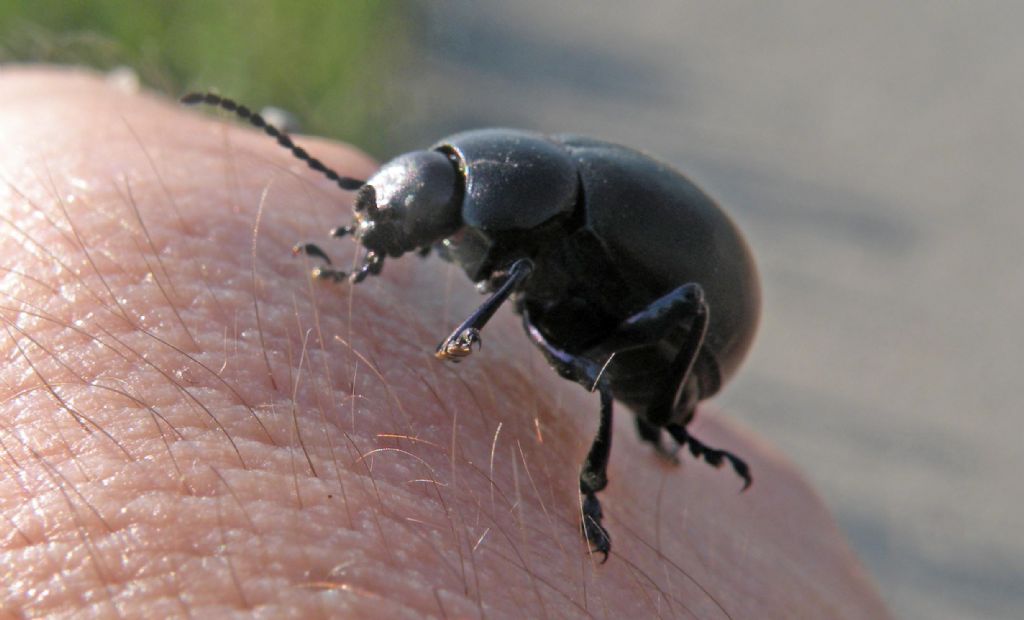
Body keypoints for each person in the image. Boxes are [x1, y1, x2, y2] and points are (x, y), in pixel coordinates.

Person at [0, 68, 889, 618]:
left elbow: (637, 308)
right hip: (619, 292)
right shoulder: (515, 198)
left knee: (601, 360)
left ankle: (601, 478)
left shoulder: (540, 218)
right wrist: (373, 253)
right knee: (579, 349)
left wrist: (667, 412)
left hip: (696, 334)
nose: (401, 230)